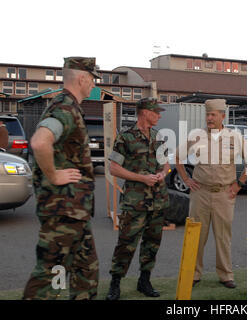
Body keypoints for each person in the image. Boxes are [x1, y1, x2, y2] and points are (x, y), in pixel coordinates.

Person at [22, 57, 101, 300]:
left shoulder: (70, 107)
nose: (93, 85)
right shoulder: (64, 108)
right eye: (92, 80)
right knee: (52, 276)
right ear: (82, 78)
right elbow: (39, 141)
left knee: (87, 270)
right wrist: (54, 175)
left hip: (75, 211)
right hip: (63, 212)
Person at [175, 99, 247, 289]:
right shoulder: (196, 136)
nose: (209, 118)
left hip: (224, 194)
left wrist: (238, 185)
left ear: (222, 116)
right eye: (207, 115)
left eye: (213, 115)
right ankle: (194, 273)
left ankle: (226, 274)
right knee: (196, 235)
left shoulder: (234, 137)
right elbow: (178, 157)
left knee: (223, 236)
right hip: (200, 193)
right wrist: (186, 180)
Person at [106, 97, 170, 300]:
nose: (159, 115)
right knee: (126, 243)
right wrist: (142, 178)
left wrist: (162, 174)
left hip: (158, 201)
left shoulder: (158, 136)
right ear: (144, 112)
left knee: (152, 244)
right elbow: (114, 168)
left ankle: (145, 281)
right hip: (135, 202)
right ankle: (115, 284)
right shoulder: (125, 137)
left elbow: (165, 164)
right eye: (156, 111)